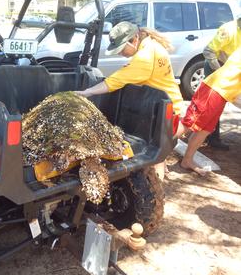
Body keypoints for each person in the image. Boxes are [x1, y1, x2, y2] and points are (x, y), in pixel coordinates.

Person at [75, 21, 184, 180]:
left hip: (168, 110)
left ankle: (156, 192)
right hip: (167, 103)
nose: (120, 54)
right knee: (160, 149)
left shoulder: (145, 56)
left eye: (121, 49)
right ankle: (161, 170)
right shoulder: (151, 45)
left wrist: (88, 92)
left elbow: (116, 80)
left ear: (133, 40)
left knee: (155, 158)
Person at [177, 46, 241, 176]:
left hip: (222, 93)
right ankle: (156, 160)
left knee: (205, 129)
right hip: (214, 90)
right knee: (188, 124)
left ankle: (187, 160)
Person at [203, 15, 241, 149]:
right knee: (214, 104)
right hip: (217, 67)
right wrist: (220, 72)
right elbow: (208, 51)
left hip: (233, 69)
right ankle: (212, 138)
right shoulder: (228, 29)